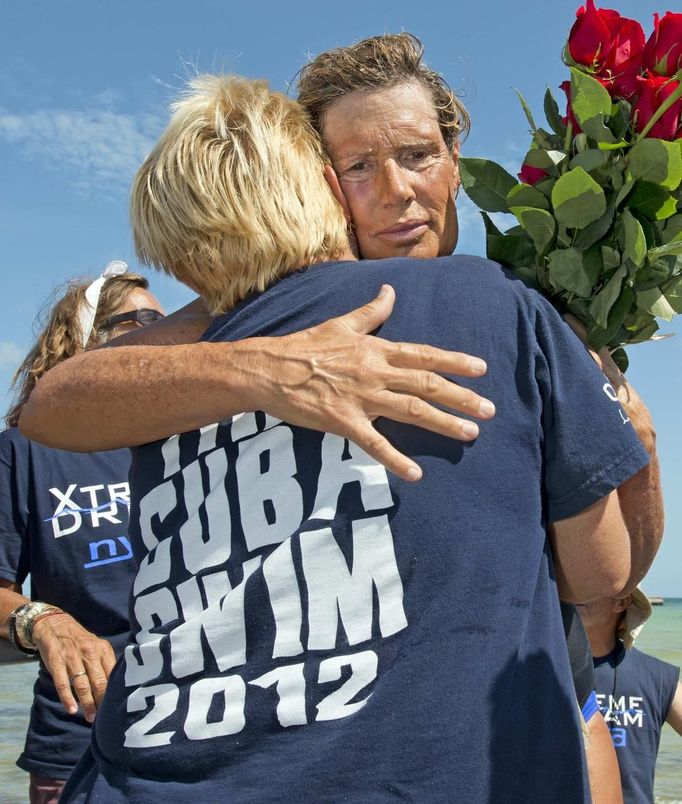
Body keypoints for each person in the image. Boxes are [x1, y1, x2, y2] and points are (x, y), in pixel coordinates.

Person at [21, 33, 660, 800]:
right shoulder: (228, 325)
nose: (395, 190)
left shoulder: (520, 307)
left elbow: (605, 596)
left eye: (419, 155)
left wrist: (629, 431)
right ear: (320, 182)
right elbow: (50, 404)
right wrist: (271, 369)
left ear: (456, 163)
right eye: (359, 166)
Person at [0, 263, 165, 803]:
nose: (160, 331)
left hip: (201, 731)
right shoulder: (25, 450)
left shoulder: (191, 439)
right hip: (79, 739)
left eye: (166, 320)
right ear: (84, 340)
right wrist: (43, 619)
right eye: (138, 319)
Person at [577, 589, 682, 802]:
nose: (575, 591)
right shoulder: (546, 673)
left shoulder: (657, 676)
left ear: (621, 601)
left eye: (589, 582)